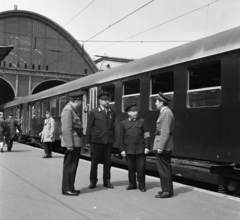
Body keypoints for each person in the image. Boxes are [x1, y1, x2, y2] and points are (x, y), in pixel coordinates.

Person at [85, 92, 115, 189]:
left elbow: (112, 126)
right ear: (100, 101)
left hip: (108, 141)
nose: (107, 102)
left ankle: (107, 181)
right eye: (105, 100)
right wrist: (87, 141)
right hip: (97, 141)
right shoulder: (94, 111)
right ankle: (93, 181)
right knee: (94, 162)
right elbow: (89, 126)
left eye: (108, 100)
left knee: (108, 163)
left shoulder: (111, 111)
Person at [119, 103, 150, 192]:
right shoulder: (124, 123)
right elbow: (121, 137)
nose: (135, 112)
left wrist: (147, 146)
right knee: (131, 168)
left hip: (140, 148)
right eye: (133, 111)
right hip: (129, 148)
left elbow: (147, 134)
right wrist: (122, 149)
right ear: (128, 113)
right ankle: (132, 184)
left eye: (136, 111)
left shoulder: (142, 121)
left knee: (141, 168)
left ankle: (142, 185)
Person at [61, 91, 84, 196]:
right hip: (72, 144)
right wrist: (69, 144)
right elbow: (66, 129)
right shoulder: (68, 110)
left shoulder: (73, 110)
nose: (81, 103)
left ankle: (71, 186)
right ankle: (66, 189)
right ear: (77, 100)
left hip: (76, 143)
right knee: (70, 166)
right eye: (81, 101)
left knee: (73, 166)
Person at [153, 92, 175, 198]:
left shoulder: (166, 113)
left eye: (156, 102)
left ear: (161, 103)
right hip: (164, 144)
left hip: (164, 146)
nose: (155, 104)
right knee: (164, 168)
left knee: (164, 168)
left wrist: (160, 147)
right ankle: (166, 190)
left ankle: (167, 191)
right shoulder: (165, 112)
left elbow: (165, 132)